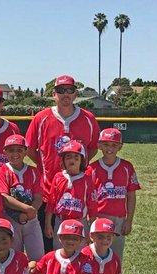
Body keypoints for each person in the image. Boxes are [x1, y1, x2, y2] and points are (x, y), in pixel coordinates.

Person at [25, 75, 100, 251]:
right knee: (49, 246)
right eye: (60, 90)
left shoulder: (88, 118)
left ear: (75, 94)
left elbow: (93, 148)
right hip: (48, 190)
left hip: (78, 191)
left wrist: (79, 167)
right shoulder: (41, 118)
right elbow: (30, 149)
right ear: (54, 94)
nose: (65, 94)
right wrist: (44, 166)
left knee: (77, 245)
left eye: (70, 90)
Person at [0, 134, 45, 274]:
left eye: (19, 150)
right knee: (12, 257)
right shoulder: (2, 171)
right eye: (10, 150)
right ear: (5, 152)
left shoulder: (32, 171)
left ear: (25, 151)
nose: (15, 153)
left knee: (37, 257)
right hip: (11, 221)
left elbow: (38, 196)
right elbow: (3, 196)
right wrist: (26, 209)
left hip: (31, 221)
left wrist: (32, 211)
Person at [88, 128, 141, 260]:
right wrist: (92, 218)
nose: (110, 148)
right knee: (95, 255)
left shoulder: (126, 167)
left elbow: (131, 196)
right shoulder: (92, 168)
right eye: (106, 144)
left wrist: (128, 220)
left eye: (114, 145)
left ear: (120, 147)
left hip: (119, 219)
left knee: (116, 257)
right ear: (99, 145)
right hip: (98, 216)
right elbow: (87, 196)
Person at [45, 140, 97, 249]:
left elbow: (92, 207)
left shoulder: (87, 179)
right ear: (63, 160)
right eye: (68, 157)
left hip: (80, 222)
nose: (72, 160)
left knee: (80, 254)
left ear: (82, 161)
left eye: (76, 157)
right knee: (60, 252)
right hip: (60, 221)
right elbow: (51, 202)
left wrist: (91, 230)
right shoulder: (58, 177)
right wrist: (48, 224)